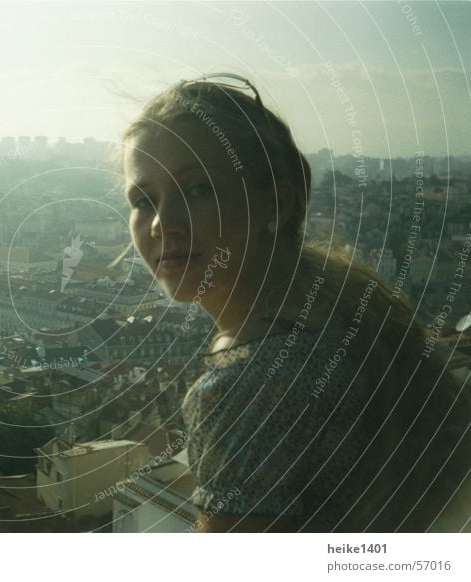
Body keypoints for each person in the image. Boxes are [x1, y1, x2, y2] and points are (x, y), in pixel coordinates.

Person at [118, 73, 471, 532]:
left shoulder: (246, 385)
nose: (163, 224)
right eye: (143, 199)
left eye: (198, 189)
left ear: (276, 204)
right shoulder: (345, 303)